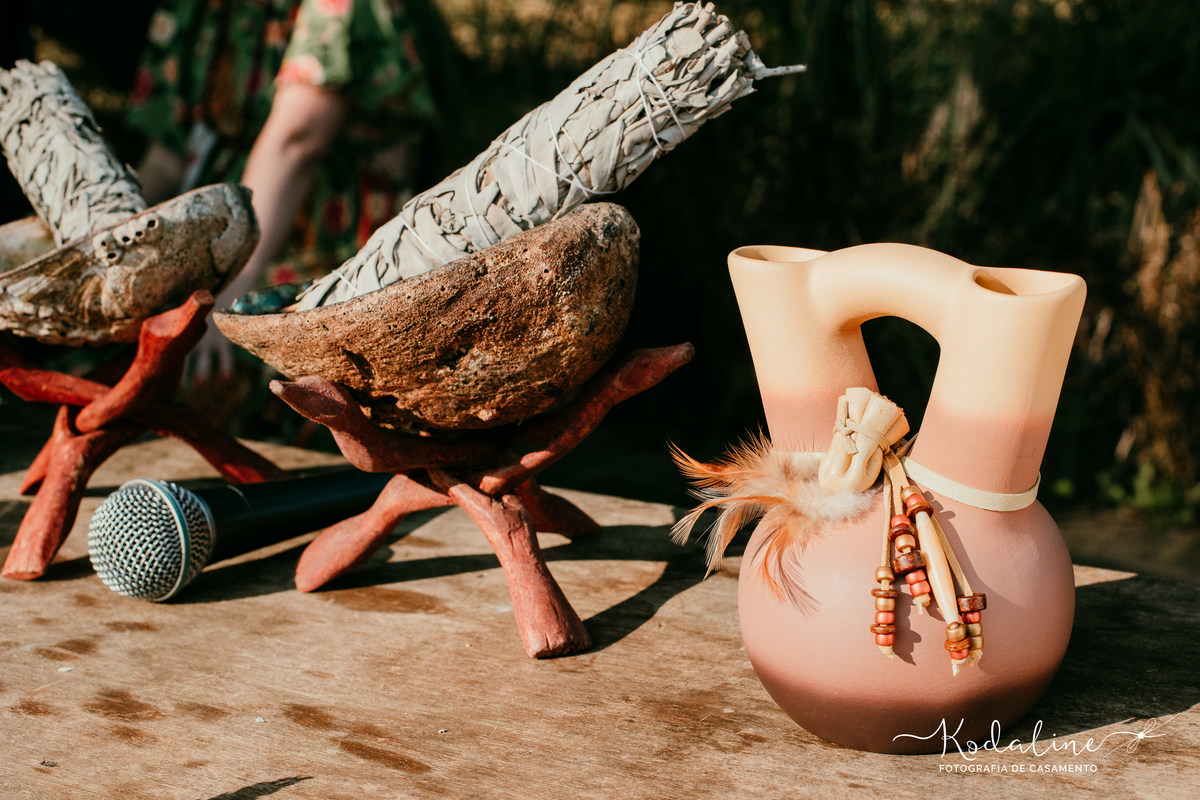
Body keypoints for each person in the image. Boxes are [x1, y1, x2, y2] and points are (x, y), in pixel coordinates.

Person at [128, 0, 438, 385]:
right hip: (220, 241)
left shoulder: (338, 7)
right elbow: (166, 158)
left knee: (226, 373)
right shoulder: (200, 10)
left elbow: (298, 142)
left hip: (324, 249)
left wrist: (230, 295)